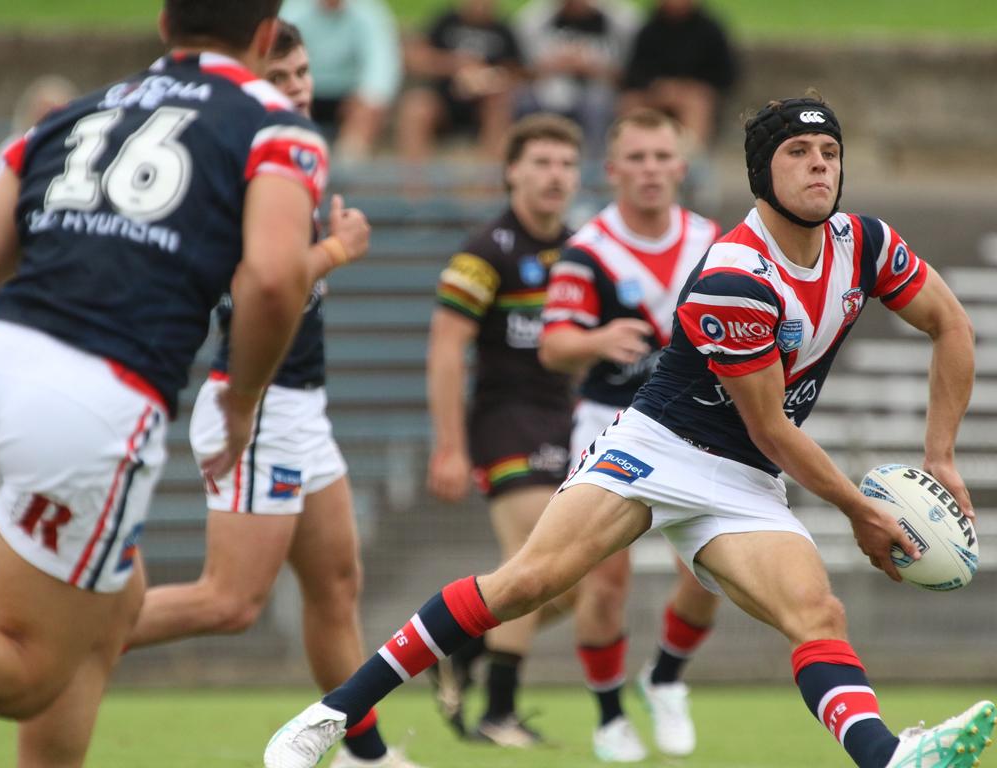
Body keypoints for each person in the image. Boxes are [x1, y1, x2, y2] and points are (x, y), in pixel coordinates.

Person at [265, 93, 993, 768]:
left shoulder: (864, 243)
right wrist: (863, 511)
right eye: (799, 154)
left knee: (817, 612)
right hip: (659, 450)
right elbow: (770, 427)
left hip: (745, 479)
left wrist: (941, 459)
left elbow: (950, 324)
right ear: (761, 173)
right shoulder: (735, 275)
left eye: (829, 153)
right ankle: (332, 715)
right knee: (528, 582)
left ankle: (888, 758)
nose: (819, 167)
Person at [0, 2, 371, 767]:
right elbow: (271, 280)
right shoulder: (273, 125)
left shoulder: (70, 114)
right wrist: (243, 399)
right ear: (265, 36)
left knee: (109, 616)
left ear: (164, 23)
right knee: (26, 673)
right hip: (91, 402)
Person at [122, 21, 416, 768]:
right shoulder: (248, 149)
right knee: (229, 601)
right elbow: (252, 281)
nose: (296, 88)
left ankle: (365, 754)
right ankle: (67, 635)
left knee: (336, 585)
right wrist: (335, 250)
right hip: (254, 403)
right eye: (281, 75)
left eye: (304, 73)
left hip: (299, 405)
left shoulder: (288, 147)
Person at [539, 107, 720, 761]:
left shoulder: (712, 238)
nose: (650, 170)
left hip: (695, 427)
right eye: (636, 158)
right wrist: (596, 340)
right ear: (612, 170)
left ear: (680, 166)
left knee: (711, 574)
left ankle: (665, 678)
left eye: (661, 157)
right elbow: (553, 345)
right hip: (609, 425)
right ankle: (610, 715)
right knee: (604, 581)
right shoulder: (589, 248)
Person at [425, 112, 581, 745]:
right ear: (511, 172)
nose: (555, 176)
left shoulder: (582, 248)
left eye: (567, 164)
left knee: (568, 586)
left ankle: (460, 645)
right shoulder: (483, 254)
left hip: (567, 422)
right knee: (534, 562)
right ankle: (497, 712)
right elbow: (444, 350)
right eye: (541, 162)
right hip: (502, 420)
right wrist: (449, 446)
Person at [397, 0, 522, 163]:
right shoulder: (446, 22)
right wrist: (453, 65)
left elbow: (517, 72)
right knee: (416, 107)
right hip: (444, 100)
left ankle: (488, 182)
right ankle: (413, 184)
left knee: (499, 106)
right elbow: (415, 59)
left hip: (484, 105)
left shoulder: (503, 30)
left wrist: (488, 79)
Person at [513, 0, 638, 156]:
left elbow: (625, 73)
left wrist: (591, 67)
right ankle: (535, 156)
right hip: (549, 86)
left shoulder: (616, 18)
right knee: (525, 101)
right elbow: (525, 70)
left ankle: (594, 163)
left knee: (597, 104)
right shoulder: (536, 17)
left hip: (597, 87)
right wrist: (556, 65)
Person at [281, 0, 402, 160]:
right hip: (304, 91)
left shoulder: (369, 11)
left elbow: (381, 63)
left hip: (349, 99)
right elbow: (279, 58)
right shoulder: (294, 10)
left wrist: (368, 98)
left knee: (367, 113)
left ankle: (347, 173)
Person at [620, 0, 736, 152]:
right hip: (655, 92)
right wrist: (657, 87)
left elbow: (725, 75)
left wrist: (684, 87)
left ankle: (692, 159)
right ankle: (633, 152)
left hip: (692, 94)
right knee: (630, 102)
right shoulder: (649, 29)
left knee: (697, 103)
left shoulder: (710, 30)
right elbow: (633, 72)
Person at [0, 74, 79, 192]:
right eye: (44, 110)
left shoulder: (77, 149)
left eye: (56, 112)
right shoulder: (14, 148)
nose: (49, 118)